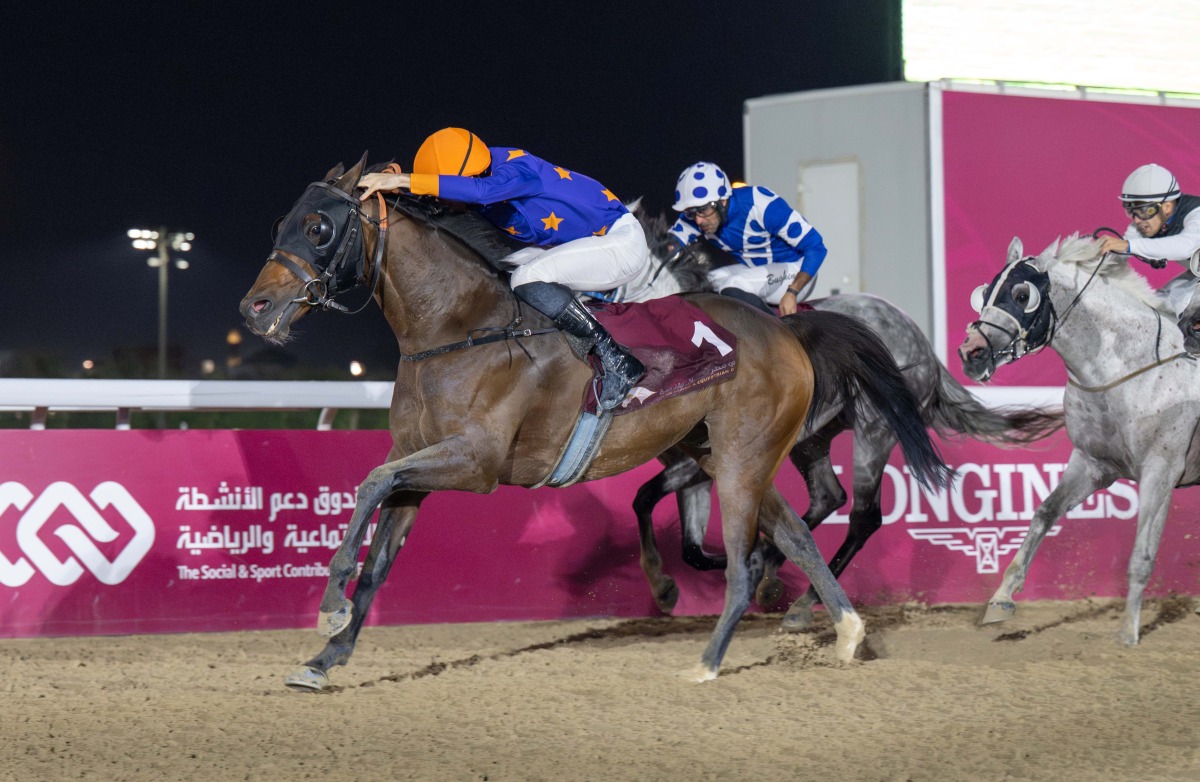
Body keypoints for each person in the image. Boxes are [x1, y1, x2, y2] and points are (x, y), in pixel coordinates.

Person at [357, 128, 649, 412]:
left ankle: (619, 362)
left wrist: (409, 180)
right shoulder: (480, 175)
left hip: (621, 244)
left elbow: (478, 191)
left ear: (467, 176)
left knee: (526, 277)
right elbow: (445, 203)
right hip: (594, 244)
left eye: (443, 191)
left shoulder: (517, 170)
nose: (441, 200)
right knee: (506, 271)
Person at [668, 161, 828, 316]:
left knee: (733, 285)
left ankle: (782, 334)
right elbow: (668, 245)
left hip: (797, 271)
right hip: (755, 269)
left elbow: (817, 247)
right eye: (692, 212)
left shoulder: (761, 206)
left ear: (722, 201)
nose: (698, 220)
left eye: (702, 210)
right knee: (705, 284)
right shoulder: (698, 216)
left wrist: (792, 292)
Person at [1097, 163, 1200, 316]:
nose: (1137, 220)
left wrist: (1128, 245)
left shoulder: (1196, 213)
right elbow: (1121, 252)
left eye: (1144, 210)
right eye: (1132, 211)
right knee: (1159, 305)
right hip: (1196, 275)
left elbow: (1185, 246)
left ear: (1166, 207)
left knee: (1184, 306)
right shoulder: (1148, 222)